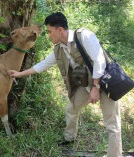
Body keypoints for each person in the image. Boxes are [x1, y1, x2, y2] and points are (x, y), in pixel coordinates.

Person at [7, 12, 122, 157]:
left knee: (112, 124)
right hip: (86, 85)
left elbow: (100, 61)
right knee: (71, 109)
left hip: (104, 83)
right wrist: (18, 74)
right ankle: (69, 138)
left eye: (49, 31)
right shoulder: (59, 48)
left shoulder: (84, 36)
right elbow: (42, 65)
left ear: (59, 29)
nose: (48, 35)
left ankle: (115, 155)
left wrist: (96, 88)